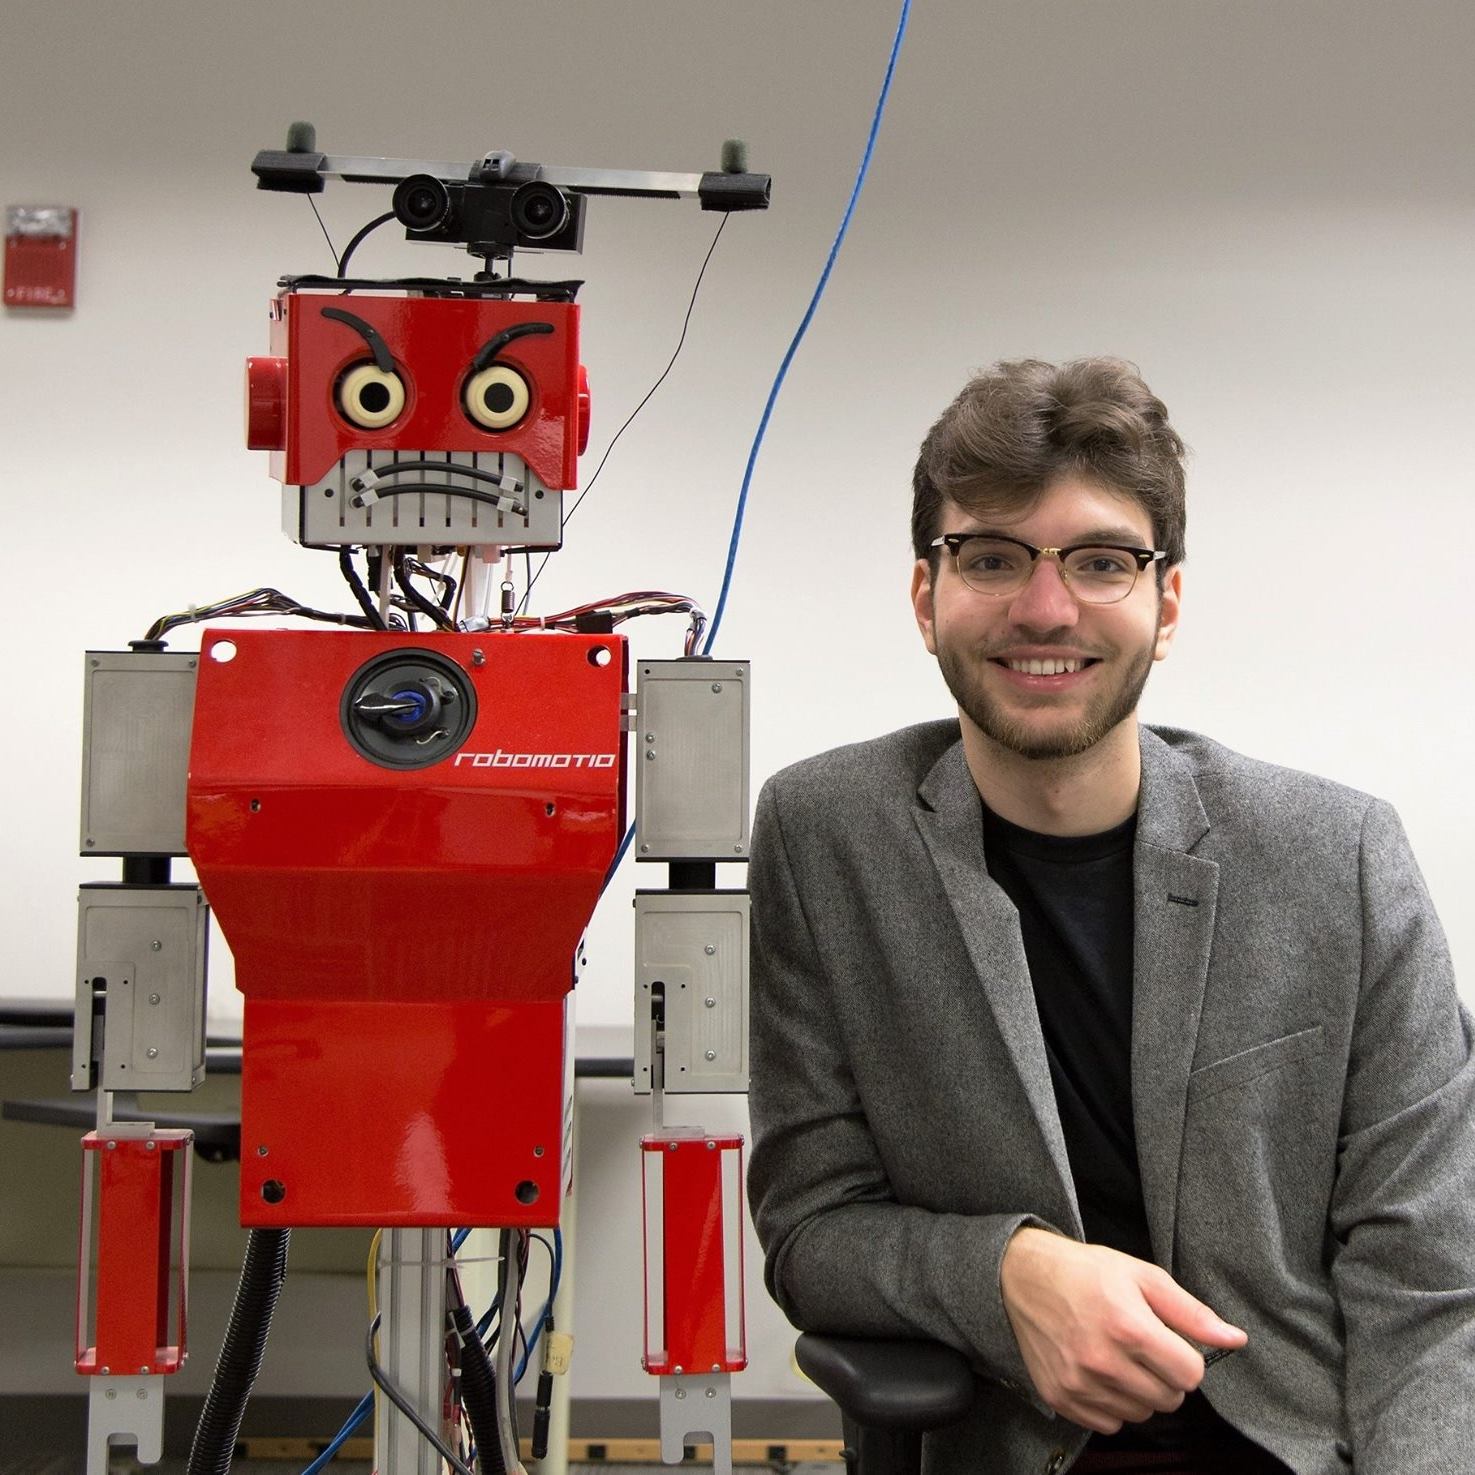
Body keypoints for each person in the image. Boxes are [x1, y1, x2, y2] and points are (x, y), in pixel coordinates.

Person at [746, 357, 1475, 1475]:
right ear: (922, 597)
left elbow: (1427, 1270)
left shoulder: (1339, 856)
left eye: (1100, 561)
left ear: (1163, 604)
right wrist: (1007, 1271)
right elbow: (811, 1232)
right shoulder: (827, 834)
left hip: (1298, 1444)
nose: (1044, 607)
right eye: (988, 557)